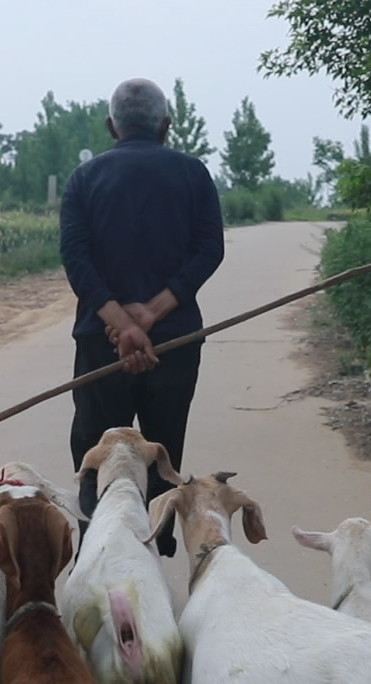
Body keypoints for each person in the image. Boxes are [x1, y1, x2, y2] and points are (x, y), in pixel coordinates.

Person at [59, 77, 224, 554]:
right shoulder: (193, 173)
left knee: (96, 453)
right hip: (172, 344)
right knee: (163, 452)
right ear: (166, 126)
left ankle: (95, 547)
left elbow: (77, 259)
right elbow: (209, 250)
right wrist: (150, 316)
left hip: (100, 344)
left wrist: (121, 322)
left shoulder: (85, 180)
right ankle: (153, 547)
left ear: (111, 127)